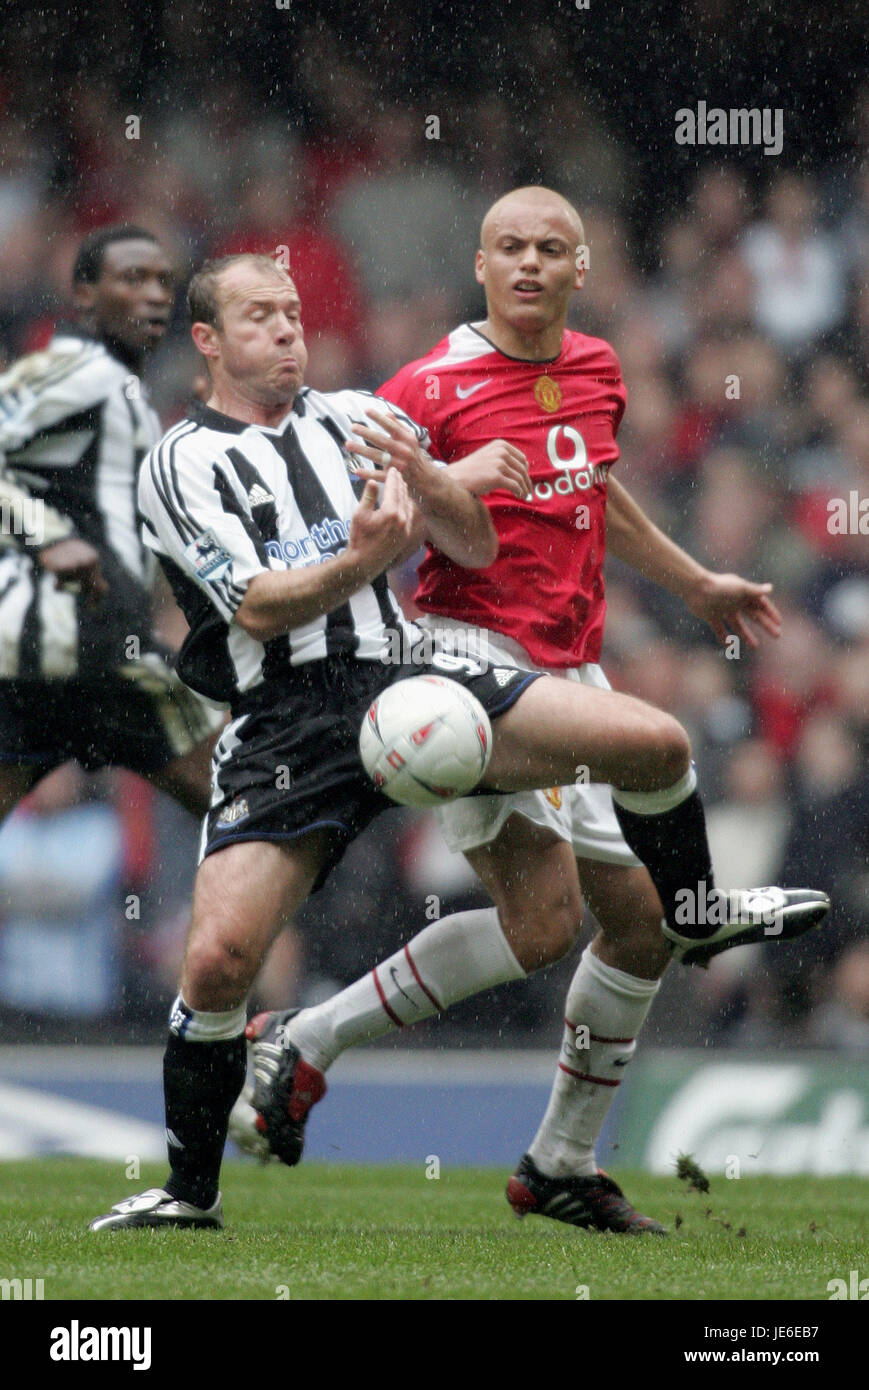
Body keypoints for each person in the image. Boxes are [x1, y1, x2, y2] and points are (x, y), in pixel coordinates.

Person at [89, 252, 827, 1233]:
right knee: (220, 959)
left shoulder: (359, 418)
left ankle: (685, 914)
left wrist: (437, 481)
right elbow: (259, 605)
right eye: (259, 315)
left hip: (412, 680)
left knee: (647, 749)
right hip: (288, 726)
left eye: (293, 311)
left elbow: (472, 543)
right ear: (207, 341)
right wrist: (373, 546)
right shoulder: (180, 460)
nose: (285, 329)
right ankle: (188, 1191)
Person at [0, 224, 220, 823]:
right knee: (249, 815)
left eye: (163, 281)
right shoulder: (74, 373)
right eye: (132, 278)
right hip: (75, 654)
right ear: (85, 295)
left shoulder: (125, 392)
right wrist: (47, 538)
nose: (154, 294)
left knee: (243, 816)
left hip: (67, 658)